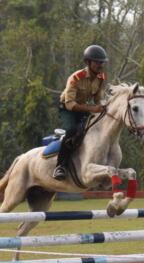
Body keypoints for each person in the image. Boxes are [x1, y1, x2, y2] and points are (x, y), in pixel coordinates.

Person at [53, 45, 108, 180]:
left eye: (102, 62)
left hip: (83, 107)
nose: (100, 65)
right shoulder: (75, 77)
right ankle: (60, 167)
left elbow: (97, 99)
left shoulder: (101, 77)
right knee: (72, 130)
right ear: (88, 62)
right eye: (97, 62)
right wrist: (92, 109)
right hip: (68, 109)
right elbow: (70, 104)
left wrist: (105, 105)